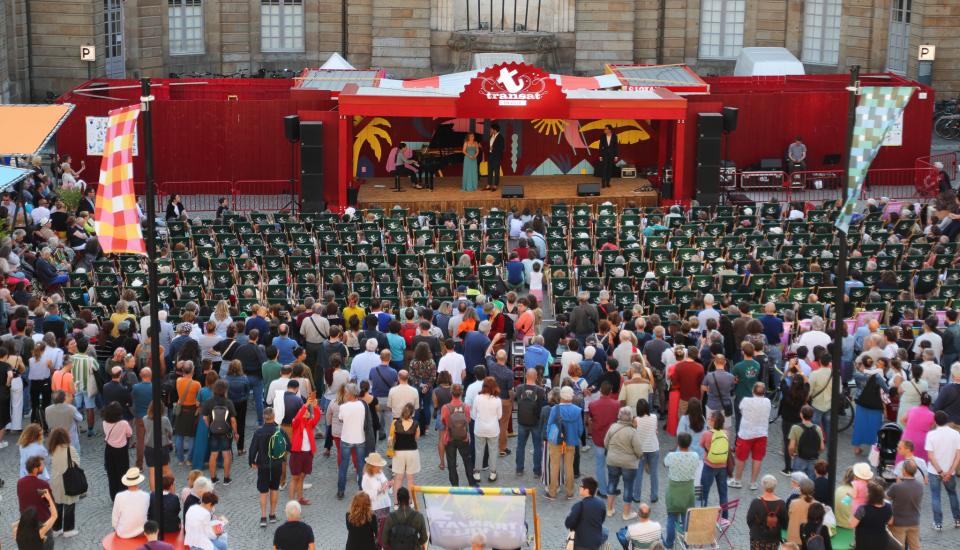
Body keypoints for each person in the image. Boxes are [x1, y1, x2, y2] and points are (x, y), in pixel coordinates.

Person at [604, 406, 643, 520]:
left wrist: (613, 452)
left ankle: (609, 510)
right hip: (629, 464)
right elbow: (639, 450)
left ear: (619, 416)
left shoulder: (613, 427)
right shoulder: (632, 432)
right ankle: (626, 514)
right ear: (631, 417)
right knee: (628, 487)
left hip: (612, 460)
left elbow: (605, 443)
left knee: (612, 483)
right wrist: (638, 457)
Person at [730, 382, 770, 490]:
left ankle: (737, 480)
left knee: (741, 457)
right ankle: (753, 482)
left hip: (746, 434)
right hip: (762, 433)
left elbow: (741, 411)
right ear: (764, 392)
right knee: (757, 458)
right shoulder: (767, 401)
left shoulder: (746, 401)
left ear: (753, 390)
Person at [662, 432, 699, 549]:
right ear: (690, 443)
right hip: (688, 492)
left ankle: (669, 543)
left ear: (678, 443)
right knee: (686, 518)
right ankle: (686, 542)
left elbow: (664, 463)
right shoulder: (695, 456)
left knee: (671, 518)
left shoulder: (672, 456)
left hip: (674, 491)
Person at [546, 386, 584, 500]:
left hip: (556, 441)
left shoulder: (555, 409)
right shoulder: (577, 410)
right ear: (571, 396)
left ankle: (552, 492)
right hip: (571, 441)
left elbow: (549, 426)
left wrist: (550, 437)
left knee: (554, 466)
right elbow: (580, 429)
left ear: (561, 396)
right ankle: (569, 492)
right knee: (569, 467)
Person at [925, 410, 960, 530]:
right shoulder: (955, 434)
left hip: (934, 471)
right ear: (947, 420)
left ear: (935, 421)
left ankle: (938, 523)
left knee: (935, 496)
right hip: (950, 472)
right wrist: (950, 472)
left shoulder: (931, 435)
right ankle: (957, 520)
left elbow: (931, 457)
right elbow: (958, 456)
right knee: (952, 494)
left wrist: (940, 472)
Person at [201, 379, 238, 484]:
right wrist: (235, 433)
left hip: (213, 432)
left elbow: (204, 418)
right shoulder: (228, 402)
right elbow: (233, 420)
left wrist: (210, 427)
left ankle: (213, 478)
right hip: (226, 432)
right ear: (225, 390)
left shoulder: (208, 402)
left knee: (213, 454)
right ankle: (226, 479)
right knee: (226, 454)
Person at [46, 427, 80, 537]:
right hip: (68, 481)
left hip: (55, 481)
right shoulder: (70, 449)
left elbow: (50, 463)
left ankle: (57, 528)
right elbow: (77, 463)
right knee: (69, 504)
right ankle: (68, 530)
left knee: (57, 505)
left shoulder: (52, 450)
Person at [441, 383, 476, 487]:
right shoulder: (465, 407)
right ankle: (471, 483)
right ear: (461, 393)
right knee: (467, 461)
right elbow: (468, 420)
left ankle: (455, 486)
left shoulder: (446, 407)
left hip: (449, 438)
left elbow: (444, 422)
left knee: (451, 463)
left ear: (451, 392)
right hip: (463, 437)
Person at [289, 393, 321, 506]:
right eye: (306, 412)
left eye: (308, 412)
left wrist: (315, 407)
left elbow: (317, 418)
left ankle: (300, 498)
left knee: (302, 476)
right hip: (297, 453)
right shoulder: (296, 423)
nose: (308, 413)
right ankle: (291, 502)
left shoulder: (309, 424)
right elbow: (298, 417)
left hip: (307, 453)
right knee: (295, 477)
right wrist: (305, 406)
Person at [887, 459, 923, 549]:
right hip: (914, 521)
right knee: (915, 547)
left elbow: (886, 497)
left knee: (899, 547)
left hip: (898, 523)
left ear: (904, 471)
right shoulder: (920, 486)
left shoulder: (896, 487)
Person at [473, 376, 502, 483]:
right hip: (493, 429)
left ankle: (477, 472)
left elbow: (474, 414)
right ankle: (493, 473)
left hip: (479, 428)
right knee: (493, 451)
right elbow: (499, 416)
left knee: (479, 450)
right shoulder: (497, 400)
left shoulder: (477, 398)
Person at [564, 476, 607, 550]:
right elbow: (602, 519)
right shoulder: (601, 503)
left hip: (581, 543)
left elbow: (569, 522)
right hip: (596, 542)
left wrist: (574, 528)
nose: (579, 488)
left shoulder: (580, 505)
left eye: (581, 486)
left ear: (586, 490)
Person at [746, 475, 787, 550]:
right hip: (774, 537)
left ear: (763, 486)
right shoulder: (781, 503)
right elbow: (785, 522)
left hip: (757, 536)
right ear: (775, 486)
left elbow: (749, 520)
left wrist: (754, 530)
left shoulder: (755, 502)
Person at [103, 401, 133, 501]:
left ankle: (114, 496)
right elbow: (129, 433)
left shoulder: (104, 422)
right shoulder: (123, 423)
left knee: (111, 474)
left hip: (109, 449)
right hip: (122, 451)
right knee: (123, 473)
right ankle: (123, 494)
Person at [633, 398, 660, 505]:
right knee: (654, 473)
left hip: (641, 450)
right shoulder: (654, 417)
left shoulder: (636, 420)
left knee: (638, 473)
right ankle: (654, 496)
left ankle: (636, 496)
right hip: (653, 447)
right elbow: (655, 431)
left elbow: (634, 433)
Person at [850, 481, 894, 549]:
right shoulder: (889, 506)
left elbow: (852, 525)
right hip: (881, 540)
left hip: (864, 541)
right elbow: (890, 522)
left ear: (869, 495)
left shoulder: (863, 509)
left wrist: (852, 512)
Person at [174, 362, 201, 465]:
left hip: (181, 409)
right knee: (192, 435)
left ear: (183, 370)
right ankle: (189, 459)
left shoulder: (178, 381)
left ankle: (180, 460)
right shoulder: (196, 384)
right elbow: (199, 398)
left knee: (179, 435)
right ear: (193, 370)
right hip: (192, 410)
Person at [143, 401, 174, 492]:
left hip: (149, 448)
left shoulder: (145, 418)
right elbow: (170, 432)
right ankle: (172, 493)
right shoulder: (164, 419)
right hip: (162, 447)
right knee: (166, 470)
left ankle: (153, 494)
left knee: (152, 473)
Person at [112, 467, 151, 539]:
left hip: (123, 533)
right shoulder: (146, 495)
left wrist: (116, 529)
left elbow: (114, 520)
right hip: (142, 532)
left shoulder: (119, 496)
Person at [787, 405, 824, 480]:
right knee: (810, 483)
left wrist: (792, 454)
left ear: (801, 414)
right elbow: (822, 447)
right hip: (813, 459)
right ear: (812, 416)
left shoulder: (795, 428)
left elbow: (791, 447)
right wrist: (815, 453)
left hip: (799, 458)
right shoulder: (818, 428)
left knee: (797, 482)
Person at [392, 402, 421, 493]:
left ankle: (396, 500)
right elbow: (416, 438)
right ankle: (410, 499)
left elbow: (392, 439)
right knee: (410, 479)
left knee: (398, 478)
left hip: (399, 452)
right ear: (412, 413)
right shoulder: (416, 424)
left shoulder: (396, 423)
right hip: (412, 452)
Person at [362, 452, 392, 519]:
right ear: (371, 466)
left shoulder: (380, 472)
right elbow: (367, 494)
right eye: (378, 466)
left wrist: (388, 484)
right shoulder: (366, 477)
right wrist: (380, 490)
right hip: (375, 507)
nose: (380, 467)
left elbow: (384, 481)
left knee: (386, 523)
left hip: (385, 504)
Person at [786, 478, 815, 545]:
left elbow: (789, 516)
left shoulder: (793, 503)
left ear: (800, 489)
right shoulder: (816, 504)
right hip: (808, 540)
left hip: (793, 539)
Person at [484, 123, 504, 191]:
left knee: (496, 171)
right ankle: (489, 184)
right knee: (489, 170)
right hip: (490, 156)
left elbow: (502, 147)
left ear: (494, 129)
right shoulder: (491, 136)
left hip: (497, 157)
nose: (490, 130)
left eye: (491, 129)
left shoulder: (500, 137)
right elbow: (489, 145)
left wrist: (493, 148)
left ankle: (495, 185)